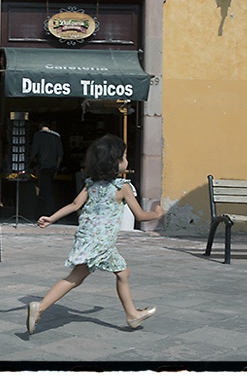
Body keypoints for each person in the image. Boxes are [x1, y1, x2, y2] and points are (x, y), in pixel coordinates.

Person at [26, 134, 165, 335]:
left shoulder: (91, 184)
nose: (127, 161)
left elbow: (75, 205)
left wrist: (51, 218)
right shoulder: (122, 187)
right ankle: (40, 308)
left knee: (115, 273)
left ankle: (132, 314)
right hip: (102, 243)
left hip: (87, 238)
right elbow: (141, 216)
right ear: (115, 162)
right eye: (124, 157)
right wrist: (157, 214)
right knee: (83, 277)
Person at [30, 120, 64, 217]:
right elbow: (60, 154)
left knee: (44, 191)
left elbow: (34, 152)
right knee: (49, 189)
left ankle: (44, 213)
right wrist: (57, 167)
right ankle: (51, 212)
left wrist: (30, 161)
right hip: (53, 167)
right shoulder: (56, 136)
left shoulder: (37, 135)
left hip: (43, 166)